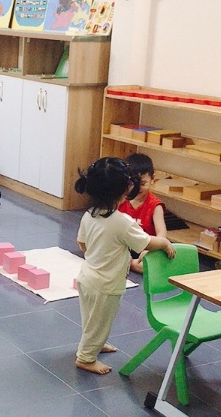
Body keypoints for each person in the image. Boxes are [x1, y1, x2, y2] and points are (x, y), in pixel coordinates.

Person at [74, 157, 176, 375]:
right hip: (106, 285)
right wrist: (165, 242)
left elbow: (81, 243)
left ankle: (95, 343)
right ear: (123, 191)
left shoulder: (89, 214)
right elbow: (147, 242)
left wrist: (97, 254)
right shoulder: (122, 222)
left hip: (87, 277)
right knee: (101, 322)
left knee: (91, 318)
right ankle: (86, 358)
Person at [118, 153, 168, 273]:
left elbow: (162, 233)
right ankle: (129, 264)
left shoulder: (155, 206)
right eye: (132, 184)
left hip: (145, 248)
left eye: (142, 184)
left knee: (146, 266)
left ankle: (127, 264)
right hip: (123, 246)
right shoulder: (121, 199)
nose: (137, 188)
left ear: (152, 179)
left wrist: (150, 250)